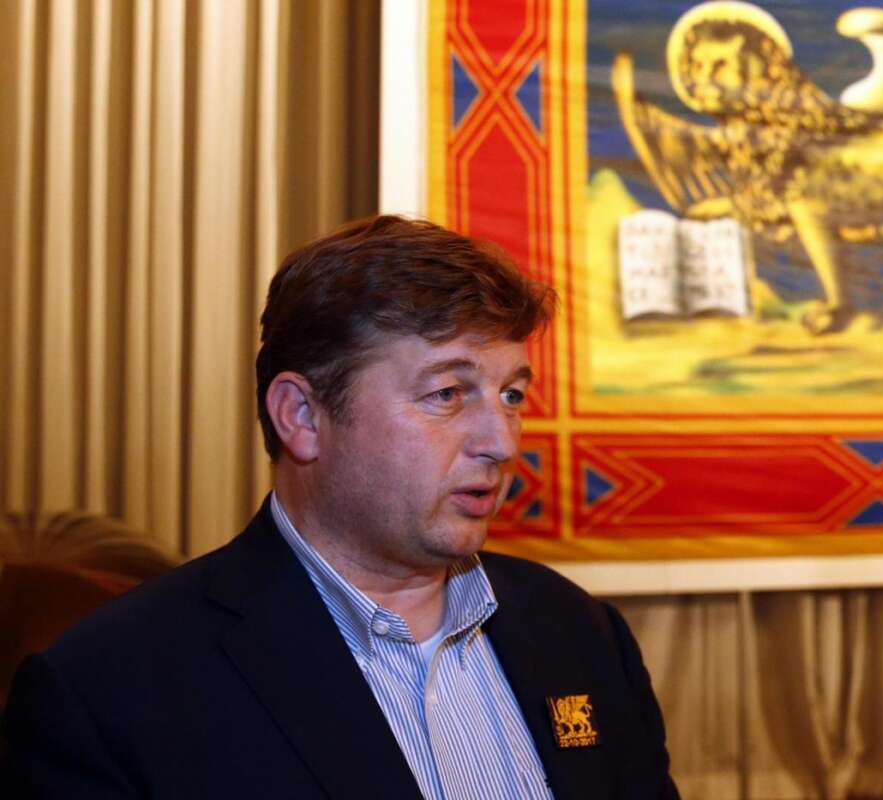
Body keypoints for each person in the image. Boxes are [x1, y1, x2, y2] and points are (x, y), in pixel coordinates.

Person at [2, 215, 679, 799]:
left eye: (511, 396)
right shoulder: (109, 689)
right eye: (447, 394)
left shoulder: (580, 633)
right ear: (302, 416)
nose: (501, 442)